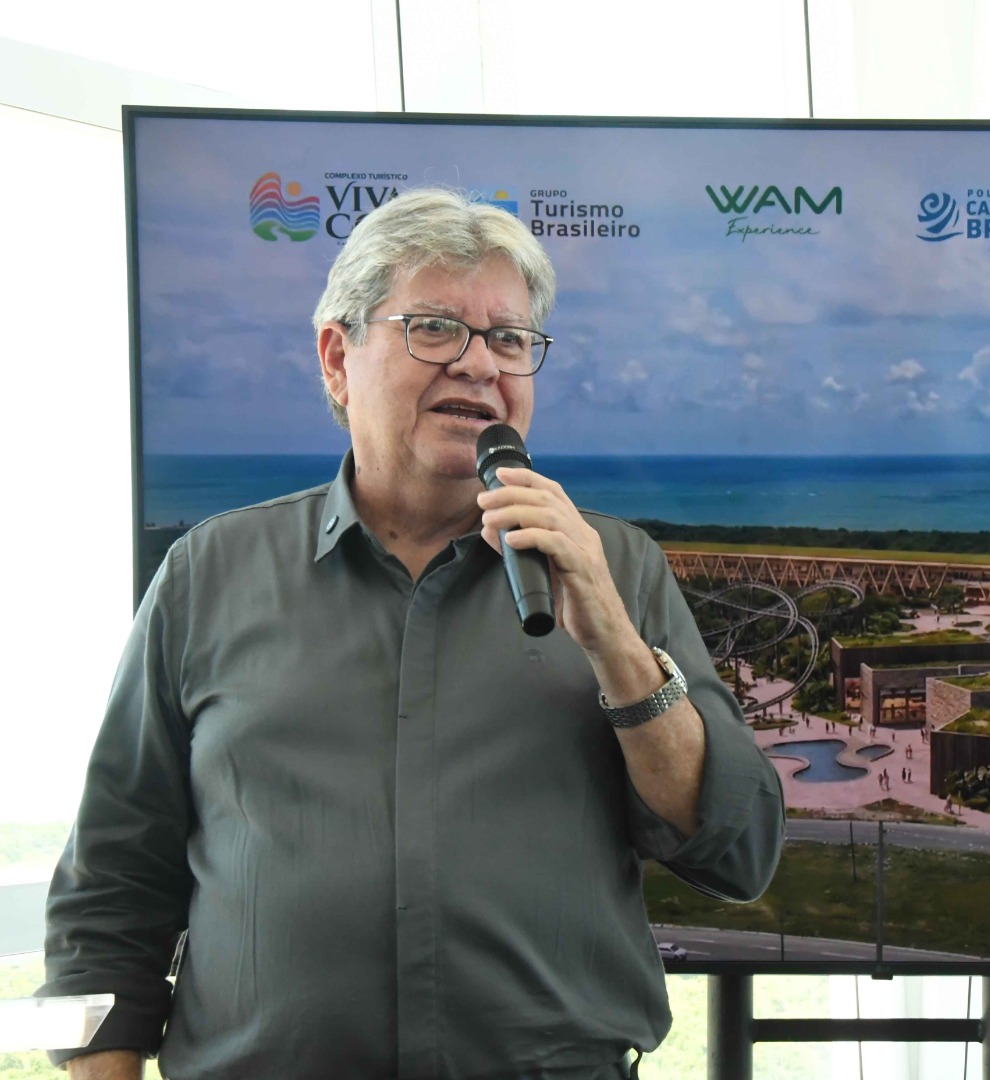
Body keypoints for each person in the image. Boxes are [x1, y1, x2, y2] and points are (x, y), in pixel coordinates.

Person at [40, 188, 785, 1080]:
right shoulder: (208, 574)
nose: (478, 365)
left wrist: (616, 646)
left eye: (509, 339)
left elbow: (737, 851)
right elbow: (110, 888)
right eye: (434, 328)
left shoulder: (614, 567)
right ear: (337, 357)